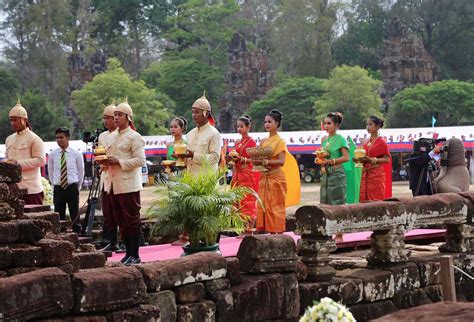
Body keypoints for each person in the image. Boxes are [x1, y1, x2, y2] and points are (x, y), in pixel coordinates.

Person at [101, 98, 146, 265]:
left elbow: (140, 160)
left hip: (128, 184)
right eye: (115, 115)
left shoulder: (135, 137)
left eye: (120, 115)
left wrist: (119, 162)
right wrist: (104, 162)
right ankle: (128, 253)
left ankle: (135, 254)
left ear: (128, 117)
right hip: (112, 184)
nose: (116, 118)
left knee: (131, 220)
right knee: (121, 220)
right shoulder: (111, 137)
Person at [251, 109, 287, 234]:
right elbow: (258, 159)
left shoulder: (280, 141)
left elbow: (281, 162)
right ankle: (265, 229)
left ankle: (277, 232)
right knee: (263, 205)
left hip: (276, 178)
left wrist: (267, 162)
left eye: (270, 122)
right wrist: (256, 160)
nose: (266, 124)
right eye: (265, 122)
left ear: (277, 123)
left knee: (275, 206)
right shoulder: (263, 141)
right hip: (264, 177)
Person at [5, 100, 45, 205]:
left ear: (23, 120)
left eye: (15, 120)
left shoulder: (34, 138)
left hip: (31, 189)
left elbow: (41, 161)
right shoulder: (9, 139)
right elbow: (8, 158)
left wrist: (17, 164)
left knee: (34, 220)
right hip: (13, 188)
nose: (12, 123)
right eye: (11, 120)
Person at [48, 127, 84, 233]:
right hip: (59, 187)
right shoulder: (53, 154)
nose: (59, 140)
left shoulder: (76, 154)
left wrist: (78, 186)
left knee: (74, 213)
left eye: (61, 137)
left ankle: (78, 234)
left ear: (67, 137)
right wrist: (54, 184)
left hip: (72, 186)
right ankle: (61, 233)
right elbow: (50, 171)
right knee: (59, 213)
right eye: (57, 138)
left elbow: (81, 171)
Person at [228, 115, 259, 237]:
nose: (239, 128)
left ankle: (249, 230)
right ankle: (242, 229)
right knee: (237, 202)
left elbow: (254, 159)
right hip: (238, 174)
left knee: (248, 201)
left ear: (248, 127)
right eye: (238, 126)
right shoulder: (238, 142)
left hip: (248, 174)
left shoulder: (251, 141)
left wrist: (242, 159)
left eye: (241, 126)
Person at [177, 93, 221, 174]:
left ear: (206, 114)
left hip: (207, 182)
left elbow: (215, 159)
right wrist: (181, 156)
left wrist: (194, 156)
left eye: (197, 112)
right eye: (193, 112)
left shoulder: (214, 134)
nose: (193, 115)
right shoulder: (190, 134)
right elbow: (187, 159)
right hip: (191, 180)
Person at [97, 102, 121, 252]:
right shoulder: (102, 136)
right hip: (106, 177)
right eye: (104, 118)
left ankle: (127, 242)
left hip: (119, 177)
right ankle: (112, 242)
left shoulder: (122, 134)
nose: (105, 121)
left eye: (108, 118)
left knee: (122, 212)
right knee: (108, 213)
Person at [357, 116, 391, 202]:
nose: (368, 127)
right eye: (367, 124)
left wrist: (372, 160)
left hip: (376, 174)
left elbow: (387, 159)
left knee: (375, 200)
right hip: (365, 174)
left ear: (377, 126)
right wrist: (359, 160)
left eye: (370, 124)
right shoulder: (366, 141)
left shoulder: (381, 142)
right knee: (364, 200)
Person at [318, 112, 350, 205]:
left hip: (337, 174)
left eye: (329, 123)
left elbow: (346, 158)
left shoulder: (341, 139)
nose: (326, 126)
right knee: (324, 200)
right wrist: (319, 160)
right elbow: (322, 155)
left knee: (336, 202)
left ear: (336, 125)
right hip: (325, 174)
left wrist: (331, 161)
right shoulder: (324, 139)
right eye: (325, 123)